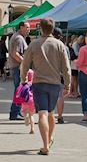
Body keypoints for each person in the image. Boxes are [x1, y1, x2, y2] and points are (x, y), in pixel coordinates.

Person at [20, 18, 71, 155]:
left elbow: (25, 64)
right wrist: (68, 84)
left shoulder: (34, 44)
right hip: (55, 84)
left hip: (39, 83)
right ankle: (49, 140)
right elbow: (66, 67)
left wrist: (23, 79)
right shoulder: (59, 44)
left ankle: (45, 146)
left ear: (40, 29)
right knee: (51, 113)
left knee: (42, 113)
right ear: (52, 29)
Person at [8, 23, 29, 121]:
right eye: (27, 27)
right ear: (21, 27)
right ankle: (15, 113)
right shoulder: (19, 38)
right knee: (19, 91)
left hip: (16, 67)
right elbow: (15, 53)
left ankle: (15, 112)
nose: (29, 29)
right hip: (18, 67)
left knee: (19, 90)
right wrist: (25, 63)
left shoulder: (17, 37)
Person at [52, 27, 70, 123]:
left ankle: (48, 116)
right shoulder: (64, 47)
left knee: (48, 96)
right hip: (61, 74)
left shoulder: (48, 45)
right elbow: (67, 64)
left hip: (49, 74)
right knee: (60, 96)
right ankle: (60, 116)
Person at [20, 69, 36, 134]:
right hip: (32, 100)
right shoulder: (34, 84)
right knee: (31, 115)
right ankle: (32, 129)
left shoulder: (23, 84)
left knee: (23, 112)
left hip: (25, 100)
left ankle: (25, 117)